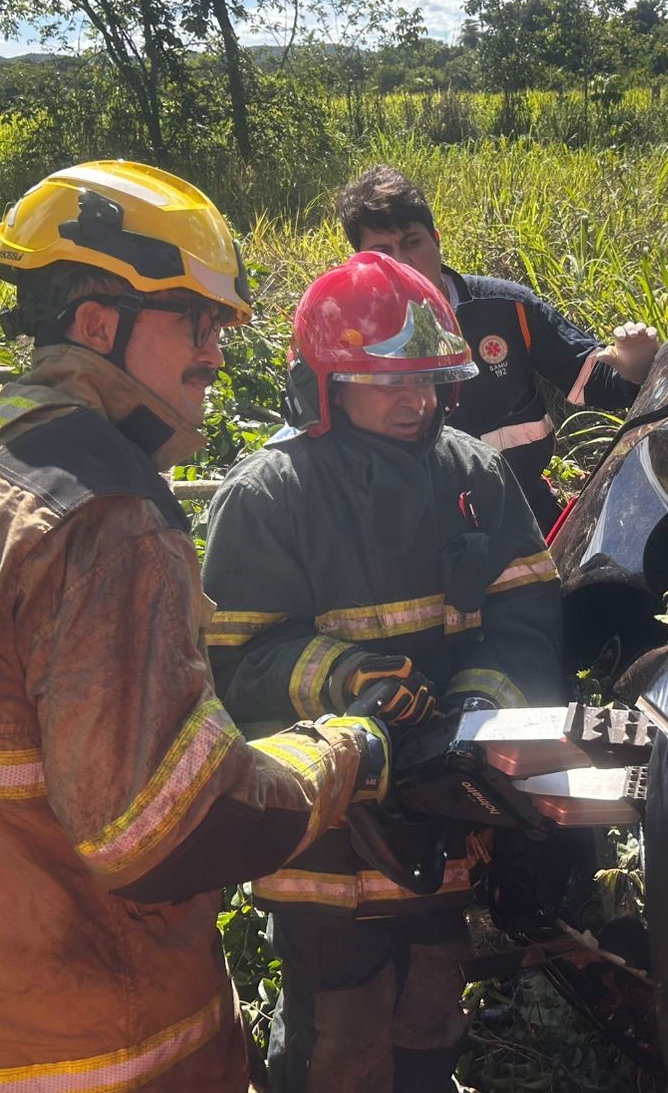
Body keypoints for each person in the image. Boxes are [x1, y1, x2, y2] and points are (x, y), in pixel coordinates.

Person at [0, 161, 395, 1091]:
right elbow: (165, 831)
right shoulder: (107, 518)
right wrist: (337, 755)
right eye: (196, 323)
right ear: (100, 324)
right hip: (73, 1042)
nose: (215, 352)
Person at [202, 250, 565, 1093]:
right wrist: (343, 681)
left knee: (435, 1009)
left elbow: (526, 620)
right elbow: (230, 662)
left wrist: (474, 716)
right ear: (322, 387)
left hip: (441, 823)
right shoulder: (269, 496)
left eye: (432, 382)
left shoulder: (472, 474)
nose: (419, 402)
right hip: (324, 842)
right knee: (341, 1039)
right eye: (389, 383)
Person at [334, 165, 660, 532]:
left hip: (522, 506)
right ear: (360, 264)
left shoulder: (507, 307)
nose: (403, 261)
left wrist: (635, 367)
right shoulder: (349, 339)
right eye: (383, 251)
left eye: (412, 242)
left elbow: (589, 376)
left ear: (436, 240)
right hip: (420, 527)